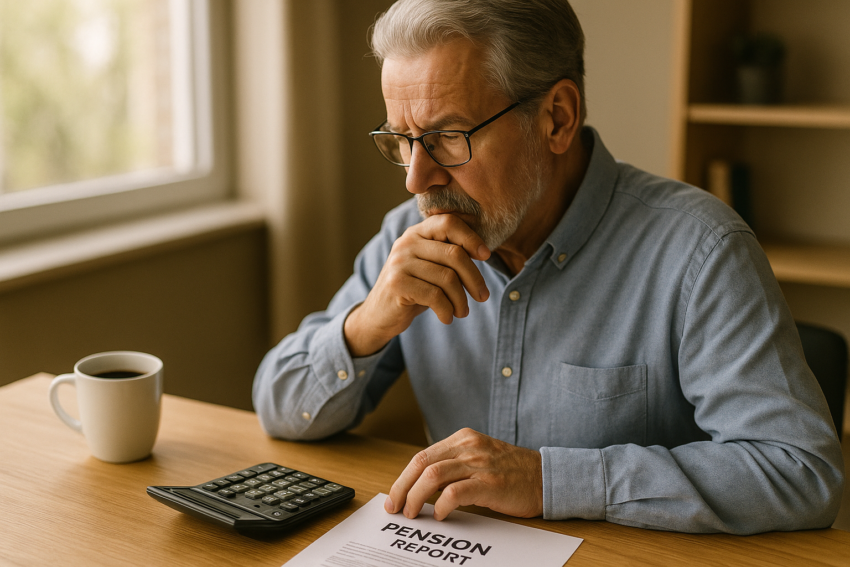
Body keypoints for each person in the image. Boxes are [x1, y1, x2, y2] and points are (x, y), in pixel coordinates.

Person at [253, 0, 844, 534]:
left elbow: (801, 471)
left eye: (448, 137)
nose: (416, 178)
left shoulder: (701, 250)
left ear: (557, 118)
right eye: (402, 139)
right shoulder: (407, 235)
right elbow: (278, 406)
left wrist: (547, 479)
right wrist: (366, 325)